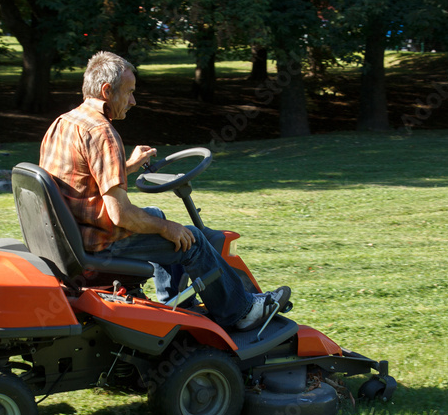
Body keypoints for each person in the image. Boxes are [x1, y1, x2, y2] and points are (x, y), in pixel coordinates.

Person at [39, 51, 289, 331]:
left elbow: (81, 181)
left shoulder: (63, 123)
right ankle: (241, 312)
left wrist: (128, 166)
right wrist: (168, 228)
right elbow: (121, 215)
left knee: (156, 213)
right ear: (107, 91)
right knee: (192, 239)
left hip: (69, 238)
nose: (133, 101)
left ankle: (175, 305)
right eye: (129, 92)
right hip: (98, 244)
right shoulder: (102, 133)